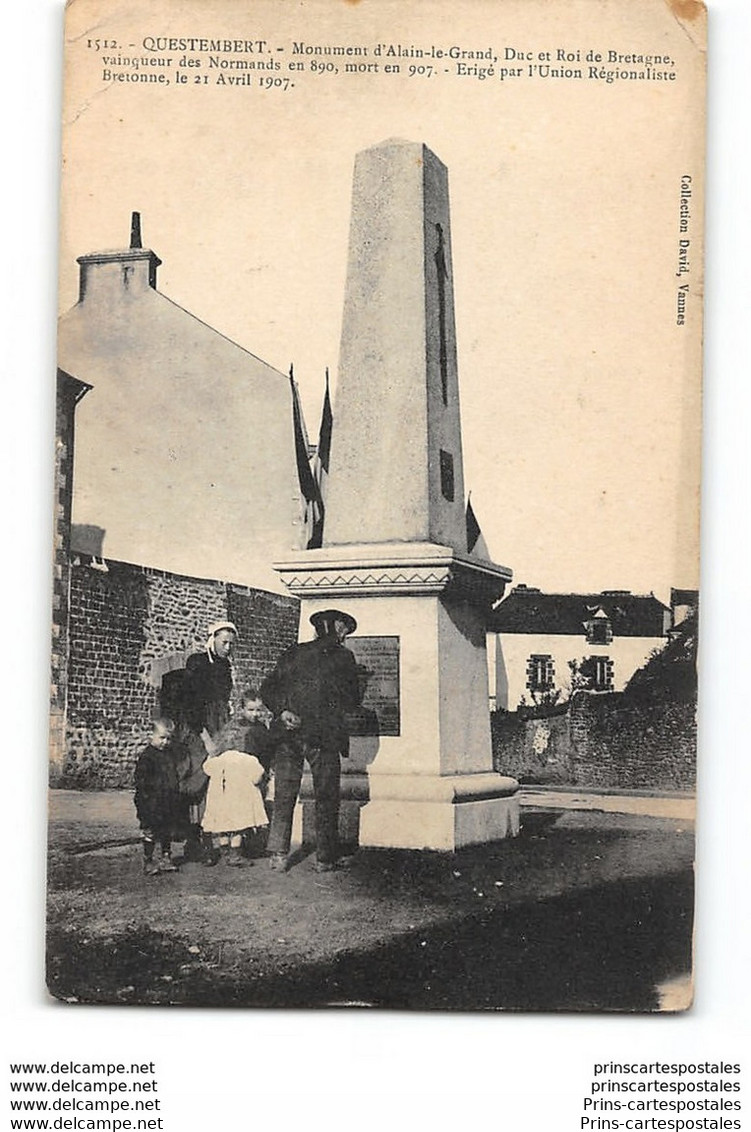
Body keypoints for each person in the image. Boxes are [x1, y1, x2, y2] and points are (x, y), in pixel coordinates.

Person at [260, 608, 361, 872]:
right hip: (323, 736)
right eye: (344, 630)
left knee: (284, 793)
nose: (345, 635)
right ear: (338, 629)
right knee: (326, 795)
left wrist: (283, 711)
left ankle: (279, 855)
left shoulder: (293, 652)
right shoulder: (344, 657)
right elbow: (352, 701)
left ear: (318, 629)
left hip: (287, 733)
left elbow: (268, 688)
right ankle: (325, 857)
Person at [177, 621, 238, 860]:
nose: (228, 647)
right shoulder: (197, 662)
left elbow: (224, 700)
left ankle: (213, 837)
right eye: (224, 642)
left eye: (231, 644)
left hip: (219, 725)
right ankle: (195, 840)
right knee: (198, 779)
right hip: (198, 727)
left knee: (217, 780)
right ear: (212, 639)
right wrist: (205, 738)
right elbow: (191, 704)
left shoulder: (224, 666)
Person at [201, 744, 268, 867]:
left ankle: (224, 851)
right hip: (239, 801)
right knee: (238, 827)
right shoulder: (249, 759)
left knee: (223, 827)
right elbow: (257, 778)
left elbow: (206, 768)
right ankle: (235, 854)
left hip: (220, 800)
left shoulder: (217, 760)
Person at [133, 718, 182, 876]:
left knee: (166, 830)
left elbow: (174, 775)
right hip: (150, 801)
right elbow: (141, 782)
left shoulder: (169, 755)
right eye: (162, 738)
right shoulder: (147, 757)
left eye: (168, 738)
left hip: (167, 800)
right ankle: (148, 860)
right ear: (151, 736)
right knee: (150, 831)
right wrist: (146, 802)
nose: (165, 742)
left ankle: (166, 857)